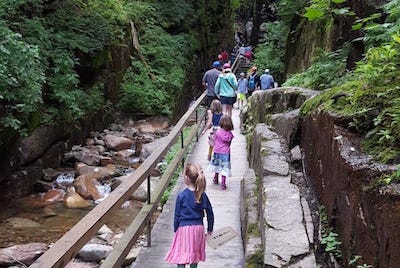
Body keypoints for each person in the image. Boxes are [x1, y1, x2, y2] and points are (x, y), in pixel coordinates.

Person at [165, 163, 214, 268]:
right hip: (199, 229)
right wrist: (210, 229)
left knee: (180, 255)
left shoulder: (181, 196)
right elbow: (210, 213)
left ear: (186, 178)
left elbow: (177, 215)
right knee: (194, 256)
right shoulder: (202, 194)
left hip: (185, 229)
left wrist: (176, 229)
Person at [208, 115, 234, 190]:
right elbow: (229, 143)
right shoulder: (230, 134)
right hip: (226, 152)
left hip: (217, 151)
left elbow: (214, 140)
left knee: (217, 165)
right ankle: (223, 183)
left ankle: (216, 178)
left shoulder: (218, 132)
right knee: (224, 168)